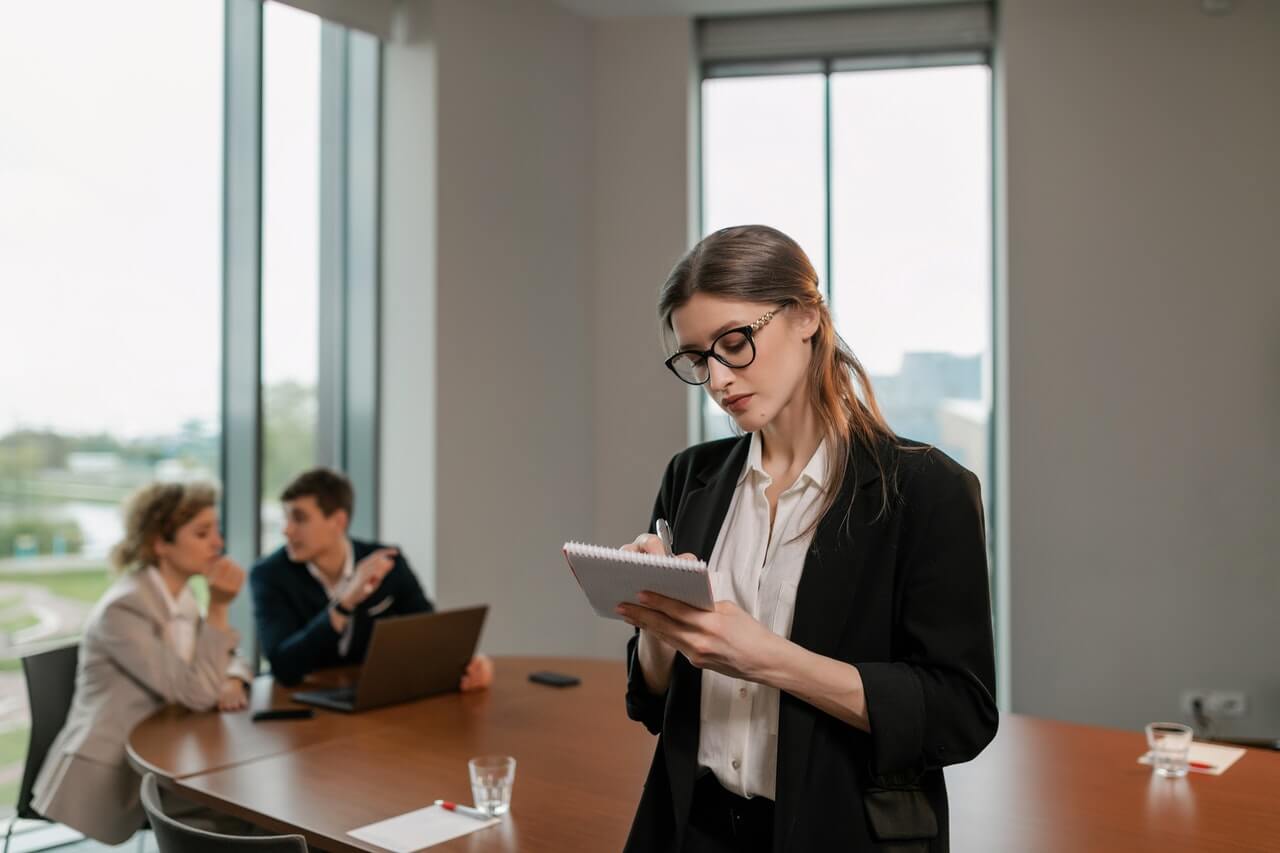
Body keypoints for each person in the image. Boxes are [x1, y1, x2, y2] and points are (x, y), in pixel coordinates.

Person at [617, 225, 998, 853]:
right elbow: (654, 705)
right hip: (690, 830)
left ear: (806, 317)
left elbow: (960, 714)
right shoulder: (691, 477)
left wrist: (764, 656)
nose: (717, 379)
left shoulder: (928, 490)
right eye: (696, 359)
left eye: (734, 343)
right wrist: (659, 630)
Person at [32, 482, 255, 844]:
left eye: (217, 530)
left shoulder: (177, 597)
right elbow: (196, 693)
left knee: (245, 803)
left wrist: (231, 679)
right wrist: (219, 607)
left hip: (173, 751)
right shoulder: (126, 608)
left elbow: (229, 658)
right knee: (242, 815)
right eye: (203, 533)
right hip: (117, 773)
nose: (218, 543)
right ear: (160, 542)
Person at [250, 467, 492, 689]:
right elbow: (283, 666)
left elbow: (428, 633)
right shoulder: (269, 575)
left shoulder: (387, 563)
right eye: (286, 518)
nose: (287, 529)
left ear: (338, 521)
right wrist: (344, 604)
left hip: (374, 699)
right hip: (303, 708)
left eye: (299, 518)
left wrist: (469, 663)